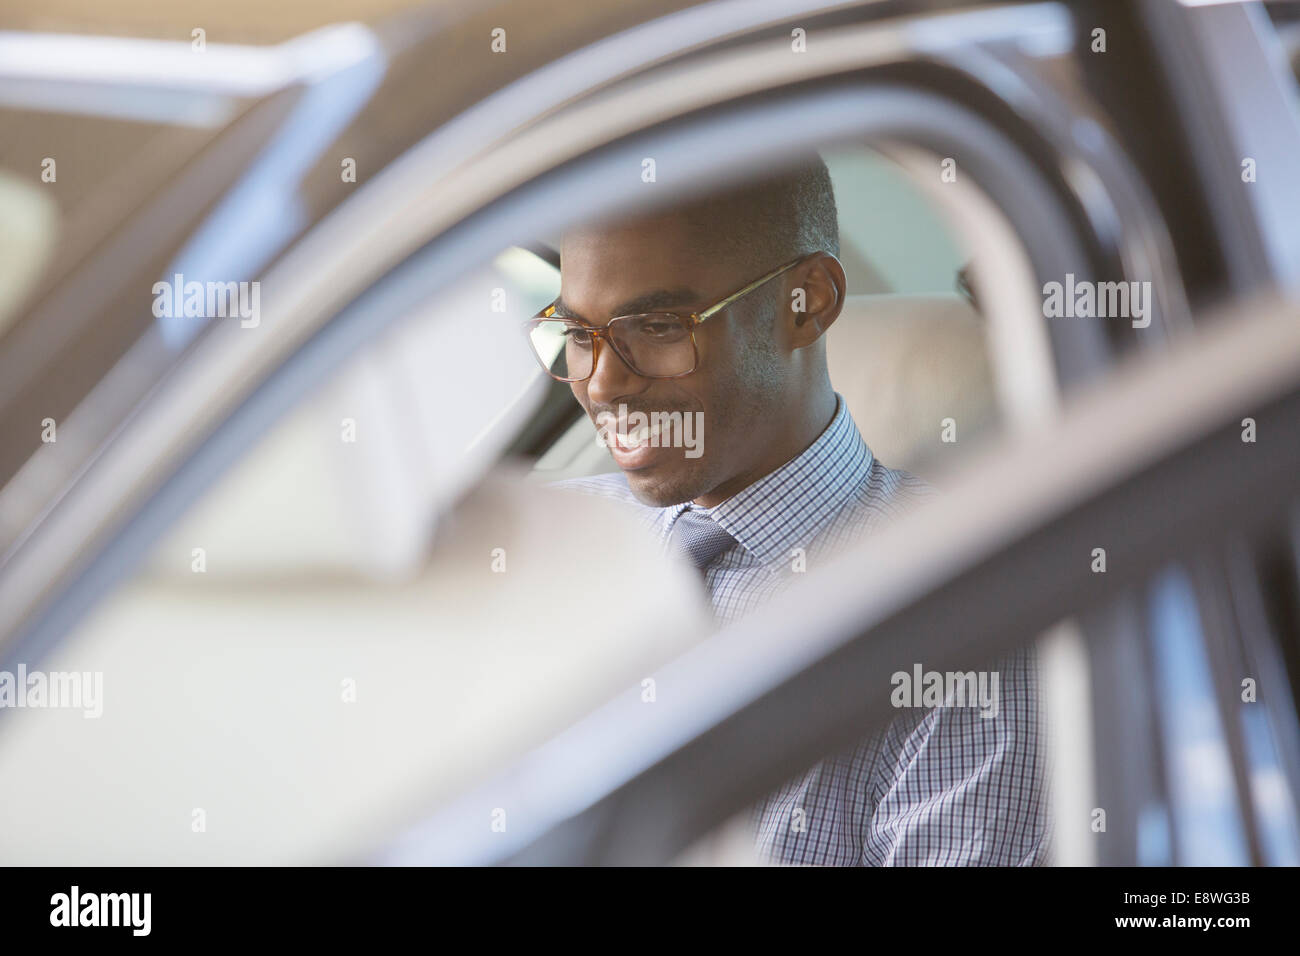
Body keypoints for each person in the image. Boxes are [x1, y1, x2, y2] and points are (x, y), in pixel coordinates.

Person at [525, 156, 1050, 865]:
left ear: (807, 301)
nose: (602, 383)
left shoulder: (964, 624)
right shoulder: (543, 542)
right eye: (580, 334)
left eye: (655, 326)